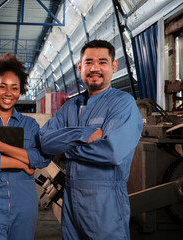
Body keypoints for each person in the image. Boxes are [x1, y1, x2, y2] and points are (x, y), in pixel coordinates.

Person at [39, 40, 143, 239]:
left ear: (114, 66)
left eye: (102, 62)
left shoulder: (122, 104)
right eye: (88, 62)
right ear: (80, 67)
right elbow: (45, 142)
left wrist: (67, 148)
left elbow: (112, 152)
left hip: (106, 203)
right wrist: (84, 135)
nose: (94, 68)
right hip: (71, 202)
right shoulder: (70, 107)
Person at [0, 53, 51, 240]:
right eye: (2, 86)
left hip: (25, 203)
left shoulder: (30, 125)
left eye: (14, 88)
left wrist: (0, 146)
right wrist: (23, 163)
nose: (8, 93)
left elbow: (41, 158)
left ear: (20, 90)